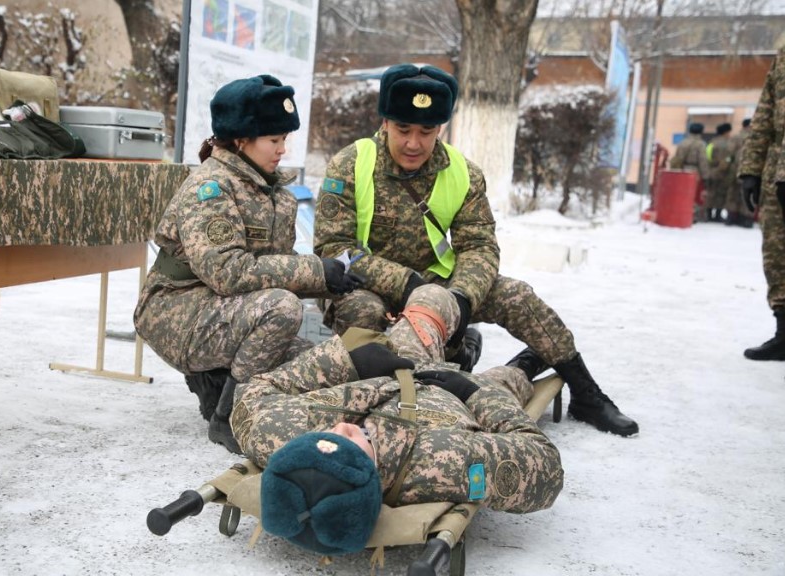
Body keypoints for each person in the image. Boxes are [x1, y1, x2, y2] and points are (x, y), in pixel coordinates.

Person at [312, 63, 638, 437]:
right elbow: (333, 248)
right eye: (403, 129)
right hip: (366, 286)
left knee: (517, 296)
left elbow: (479, 246)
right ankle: (388, 397)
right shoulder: (350, 165)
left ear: (441, 128)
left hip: (440, 285)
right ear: (385, 122)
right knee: (363, 315)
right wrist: (407, 284)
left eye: (426, 132)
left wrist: (462, 298)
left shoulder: (463, 172)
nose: (414, 143)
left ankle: (586, 392)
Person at [230, 284, 564, 556]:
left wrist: (344, 360)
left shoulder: (281, 438)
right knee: (508, 380)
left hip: (396, 367)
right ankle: (524, 364)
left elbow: (252, 394)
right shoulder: (443, 461)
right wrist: (475, 394)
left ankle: (461, 349)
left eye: (325, 437)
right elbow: (545, 465)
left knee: (431, 297)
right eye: (351, 444)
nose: (341, 427)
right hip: (460, 400)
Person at [133, 75, 363, 452]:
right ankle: (229, 415)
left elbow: (274, 267)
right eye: (274, 140)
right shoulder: (210, 188)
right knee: (281, 308)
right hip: (176, 311)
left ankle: (218, 380)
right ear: (241, 140)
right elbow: (227, 271)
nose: (282, 150)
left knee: (319, 364)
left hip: (226, 311)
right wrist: (314, 271)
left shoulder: (275, 195)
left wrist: (333, 277)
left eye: (284, 139)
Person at [738, 47, 785, 361]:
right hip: (776, 172)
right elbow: (765, 113)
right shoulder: (783, 56)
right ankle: (784, 334)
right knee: (777, 255)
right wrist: (751, 170)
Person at [670, 122, 711, 222]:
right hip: (694, 172)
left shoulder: (682, 143)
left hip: (681, 170)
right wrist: (706, 176)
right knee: (694, 195)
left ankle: (680, 212)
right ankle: (692, 215)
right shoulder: (700, 144)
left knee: (682, 193)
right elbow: (703, 161)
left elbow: (677, 157)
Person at [725, 118, 754, 228]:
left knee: (733, 193)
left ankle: (731, 217)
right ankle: (746, 219)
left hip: (735, 169)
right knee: (748, 194)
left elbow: (729, 153)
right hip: (750, 169)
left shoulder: (736, 137)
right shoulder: (755, 137)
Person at [706, 122, 734, 223]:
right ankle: (717, 215)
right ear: (726, 132)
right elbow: (728, 159)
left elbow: (707, 157)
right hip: (723, 173)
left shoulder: (711, 142)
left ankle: (708, 214)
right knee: (721, 194)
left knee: (711, 193)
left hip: (711, 170)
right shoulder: (728, 144)